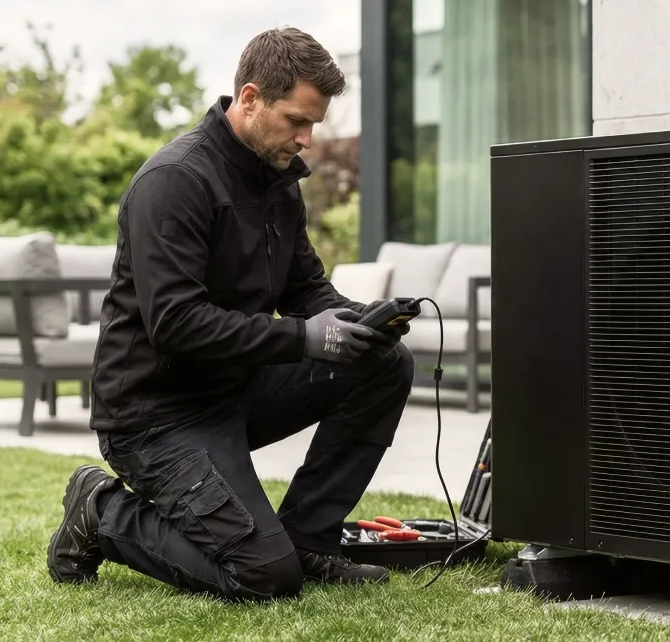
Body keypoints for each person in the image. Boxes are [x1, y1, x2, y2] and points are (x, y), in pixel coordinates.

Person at [45, 27, 414, 602]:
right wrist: (303, 339)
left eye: (313, 123)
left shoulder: (279, 183)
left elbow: (305, 288)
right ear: (249, 99)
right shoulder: (175, 182)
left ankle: (309, 538)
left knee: (385, 361)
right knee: (264, 575)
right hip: (156, 417)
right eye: (296, 120)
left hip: (234, 392)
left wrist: (358, 320)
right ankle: (100, 509)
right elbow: (175, 323)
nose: (307, 138)